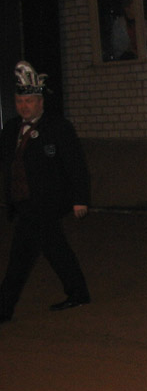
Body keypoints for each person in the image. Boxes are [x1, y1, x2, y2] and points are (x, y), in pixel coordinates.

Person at [1, 62, 91, 324]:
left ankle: (4, 308)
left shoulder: (58, 127)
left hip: (46, 203)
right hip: (23, 202)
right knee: (55, 250)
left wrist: (80, 199)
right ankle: (79, 293)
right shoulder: (10, 129)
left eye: (29, 101)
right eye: (19, 101)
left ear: (40, 102)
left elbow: (75, 165)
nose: (24, 106)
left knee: (19, 258)